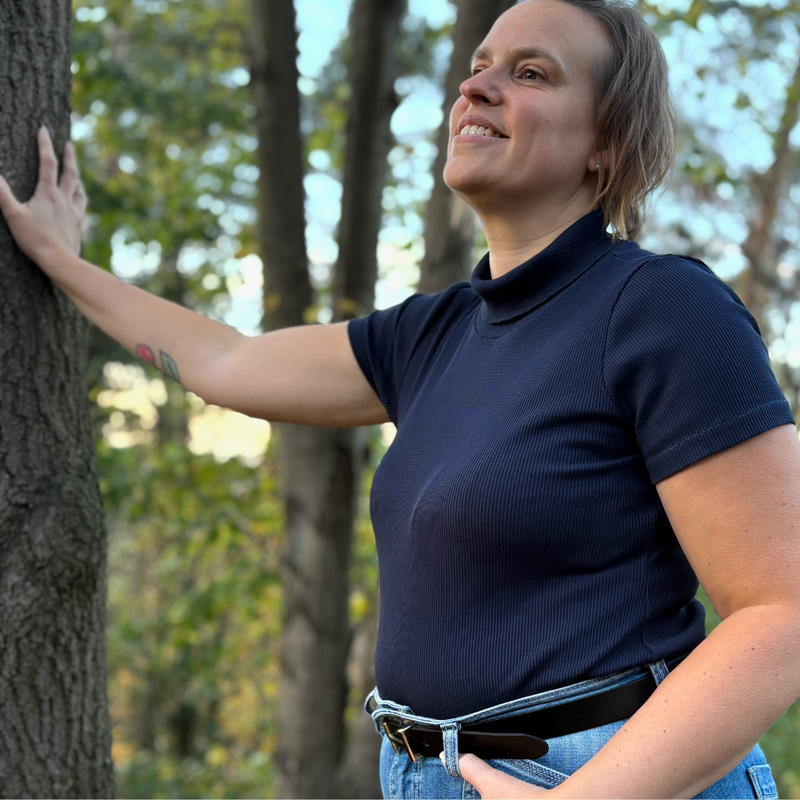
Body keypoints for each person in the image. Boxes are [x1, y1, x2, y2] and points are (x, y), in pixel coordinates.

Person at [0, 0, 799, 796]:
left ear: (606, 141)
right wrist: (64, 262)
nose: (475, 87)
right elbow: (227, 359)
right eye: (479, 65)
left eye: (530, 73)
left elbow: (783, 609)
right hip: (424, 774)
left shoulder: (661, 306)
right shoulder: (435, 333)